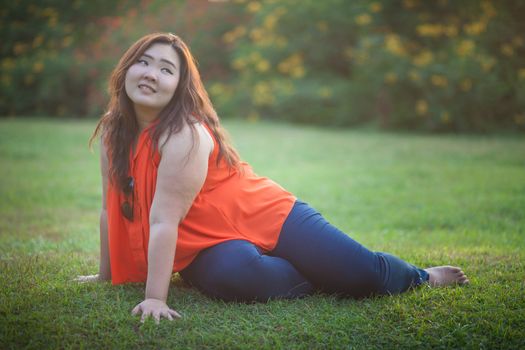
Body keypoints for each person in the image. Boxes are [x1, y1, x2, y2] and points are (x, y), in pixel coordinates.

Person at [76, 33, 469, 324]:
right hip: (203, 242)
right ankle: (319, 276)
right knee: (237, 280)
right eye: (143, 62)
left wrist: (155, 299)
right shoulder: (114, 130)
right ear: (126, 69)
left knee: (363, 275)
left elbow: (162, 220)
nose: (151, 74)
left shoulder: (183, 135)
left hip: (265, 212)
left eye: (166, 69)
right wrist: (106, 275)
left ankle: (423, 277)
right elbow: (111, 208)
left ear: (180, 87)